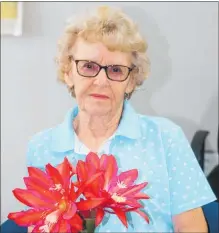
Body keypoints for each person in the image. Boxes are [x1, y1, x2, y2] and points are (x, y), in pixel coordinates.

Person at [26, 5, 216, 233]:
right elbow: (41, 224)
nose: (101, 81)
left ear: (132, 80)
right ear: (68, 72)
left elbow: (192, 228)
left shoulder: (166, 137)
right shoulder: (42, 147)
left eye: (115, 70)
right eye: (88, 66)